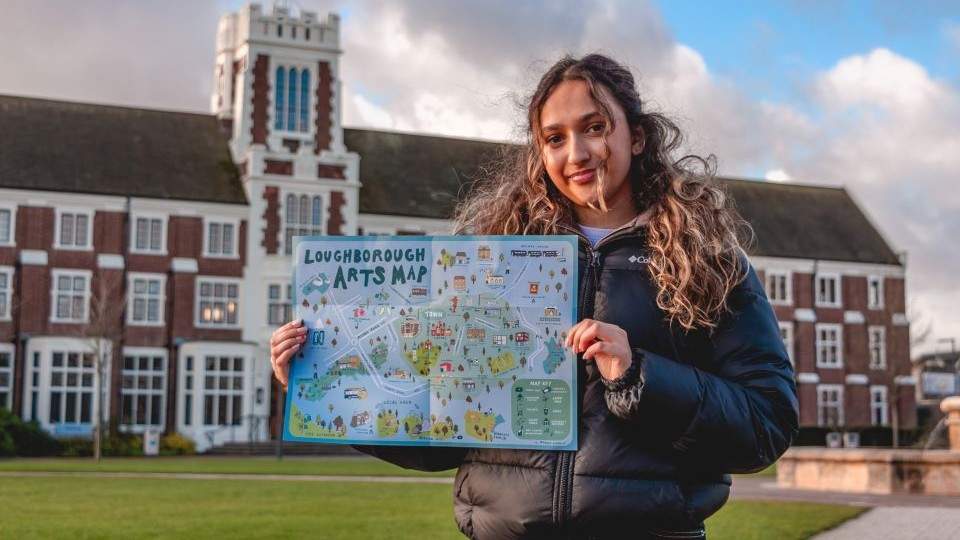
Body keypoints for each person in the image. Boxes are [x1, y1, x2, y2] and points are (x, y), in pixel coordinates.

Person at [270, 54, 798, 539]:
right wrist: (329, 384)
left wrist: (639, 375)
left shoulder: (706, 260)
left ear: (637, 137)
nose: (577, 152)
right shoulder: (489, 262)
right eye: (555, 138)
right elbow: (441, 429)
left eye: (595, 127)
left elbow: (767, 423)